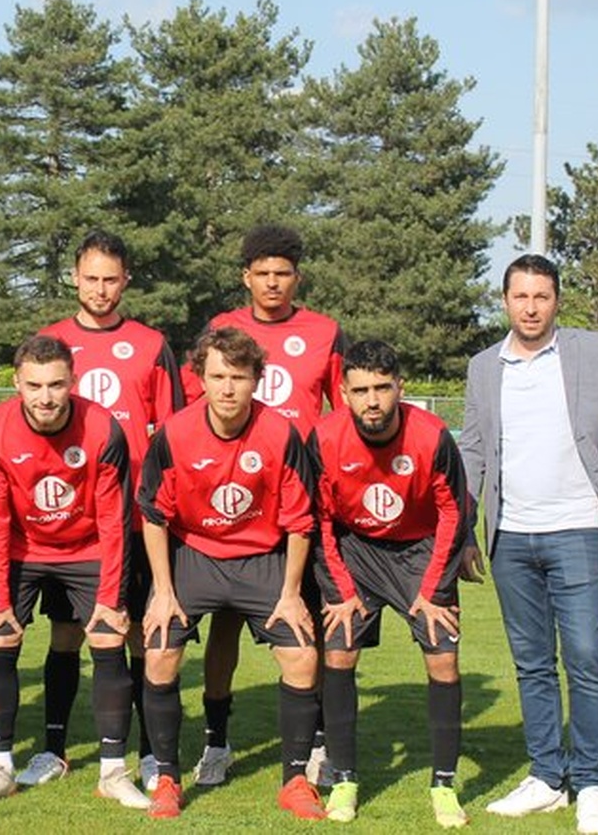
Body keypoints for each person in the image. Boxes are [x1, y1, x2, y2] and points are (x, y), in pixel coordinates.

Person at [458, 253, 598, 834]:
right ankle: (547, 777)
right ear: (506, 301)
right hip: (510, 536)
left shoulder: (593, 350)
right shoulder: (484, 366)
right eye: (521, 296)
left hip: (580, 530)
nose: (532, 307)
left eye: (542, 296)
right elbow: (472, 448)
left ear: (557, 299)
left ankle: (592, 781)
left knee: (587, 660)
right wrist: (467, 524)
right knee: (533, 663)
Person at [180, 224, 345, 787]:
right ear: (245, 276)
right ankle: (217, 744)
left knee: (307, 619)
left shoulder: (325, 332)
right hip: (233, 503)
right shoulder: (221, 330)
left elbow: (341, 411)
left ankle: (318, 744)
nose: (273, 283)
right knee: (223, 625)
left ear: (297, 277)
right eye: (263, 273)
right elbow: (193, 404)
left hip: (299, 501)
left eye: (283, 274)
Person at [138, 327, 324, 821]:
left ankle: (295, 781)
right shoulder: (175, 433)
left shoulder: (280, 433)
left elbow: (301, 521)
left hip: (260, 560)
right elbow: (154, 516)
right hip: (195, 556)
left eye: (239, 377)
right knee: (158, 655)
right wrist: (162, 591)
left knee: (303, 657)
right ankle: (167, 780)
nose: (227, 388)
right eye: (217, 376)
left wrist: (289, 593)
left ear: (256, 380)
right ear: (199, 377)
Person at [0, 335, 148, 809]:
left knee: (108, 639)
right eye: (35, 386)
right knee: (1, 638)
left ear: (74, 382)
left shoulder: (103, 429)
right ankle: (0, 767)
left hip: (87, 547)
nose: (45, 397)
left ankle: (112, 772)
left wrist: (111, 598)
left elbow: (114, 521)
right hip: (25, 548)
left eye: (56, 385)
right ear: (17, 384)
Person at [33, 229, 185, 790]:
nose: (100, 289)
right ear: (75, 276)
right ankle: (52, 749)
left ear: (126, 281)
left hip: (136, 515)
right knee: (68, 633)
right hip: (71, 518)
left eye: (110, 279)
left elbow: (172, 434)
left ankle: (148, 753)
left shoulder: (150, 344)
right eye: (90, 277)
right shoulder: (49, 340)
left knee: (144, 634)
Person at [312, 339, 471, 826]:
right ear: (343, 392)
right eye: (361, 390)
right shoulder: (322, 437)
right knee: (339, 653)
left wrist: (434, 589)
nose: (373, 400)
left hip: (420, 551)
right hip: (355, 549)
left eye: (383, 387)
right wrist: (340, 590)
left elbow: (453, 512)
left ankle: (444, 786)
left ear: (400, 387)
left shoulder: (432, 436)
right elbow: (317, 521)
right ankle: (344, 781)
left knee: (443, 659)